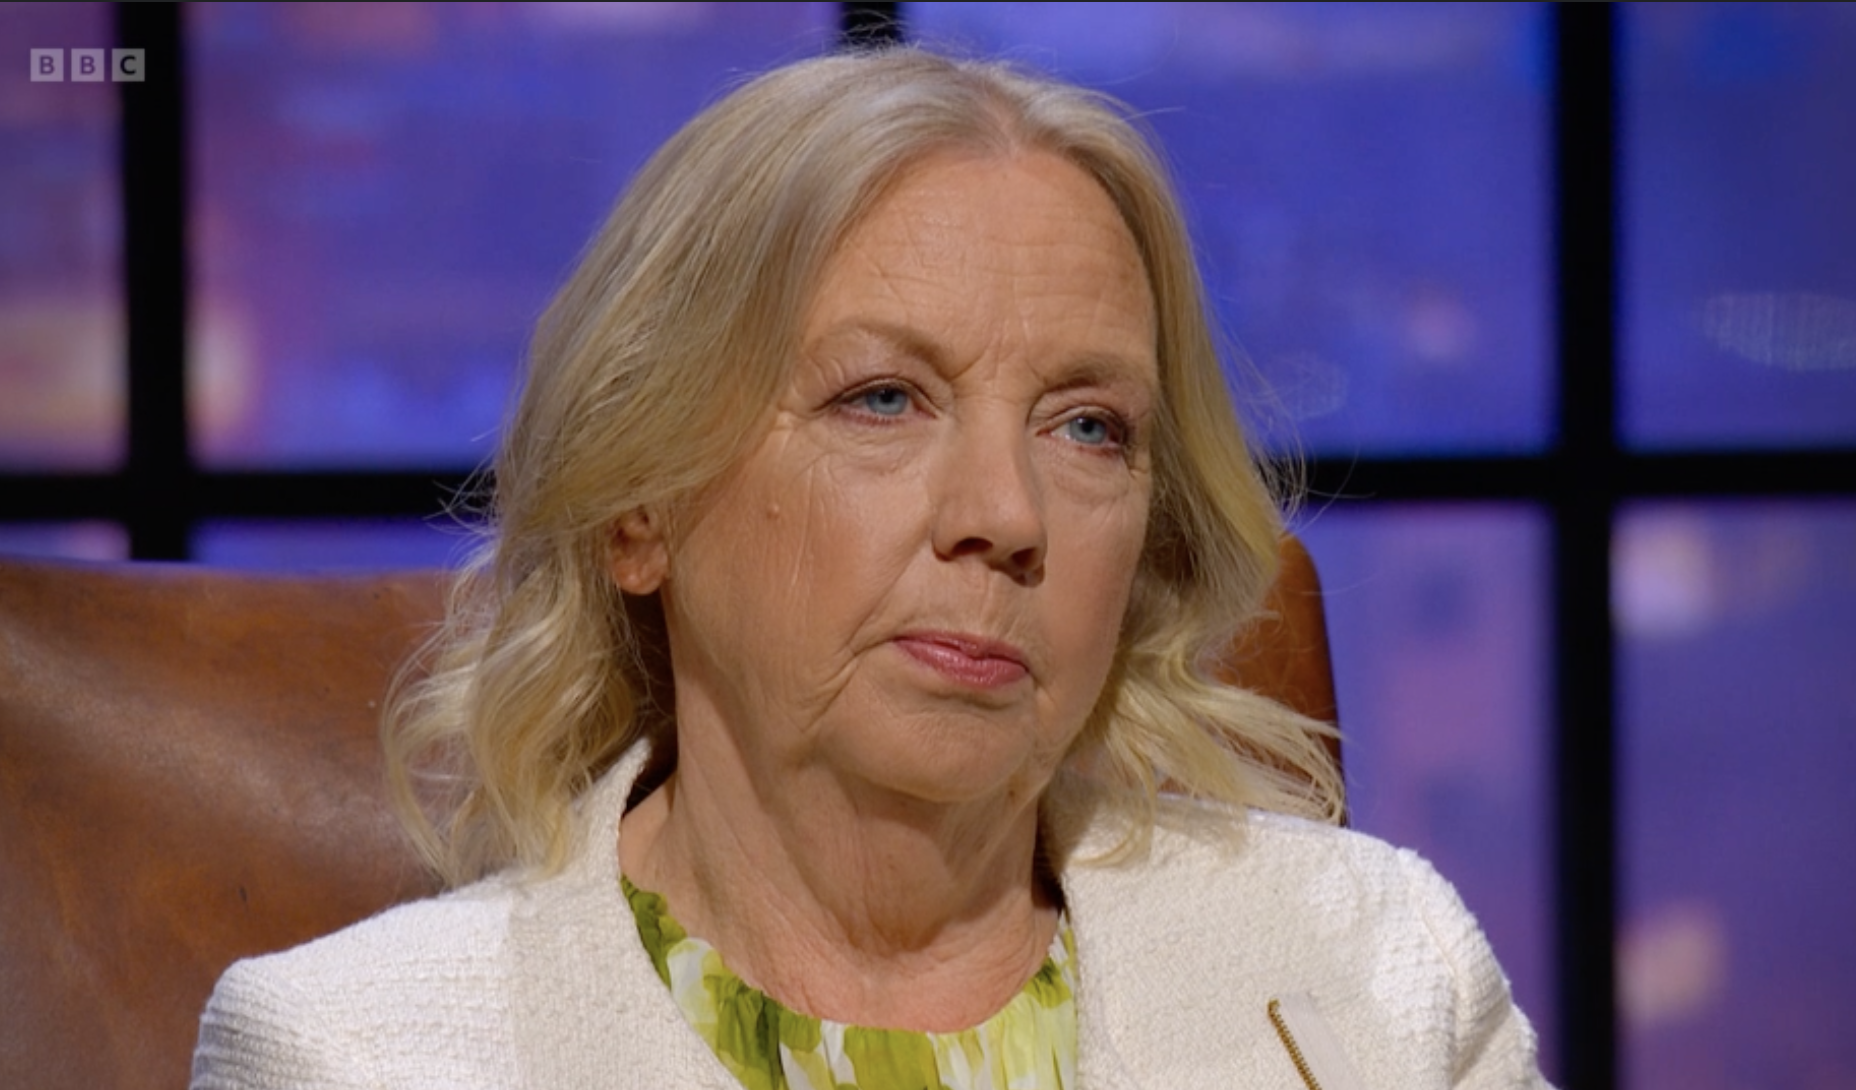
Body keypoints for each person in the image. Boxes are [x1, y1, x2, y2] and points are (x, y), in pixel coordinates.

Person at [191, 48, 1549, 1090]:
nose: (1005, 515)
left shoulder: (1376, 969)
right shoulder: (348, 1055)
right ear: (638, 507)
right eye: (884, 399)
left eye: (1090, 427)